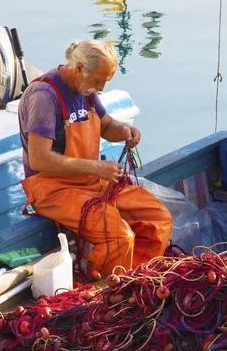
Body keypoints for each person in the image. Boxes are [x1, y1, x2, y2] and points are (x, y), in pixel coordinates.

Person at [18, 40, 173, 277]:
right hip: (51, 190)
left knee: (157, 216)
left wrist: (124, 131)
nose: (100, 88)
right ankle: (109, 295)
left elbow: (106, 125)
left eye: (106, 82)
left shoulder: (85, 89)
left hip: (89, 182)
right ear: (79, 68)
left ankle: (138, 280)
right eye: (98, 81)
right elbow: (39, 159)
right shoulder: (44, 96)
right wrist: (96, 167)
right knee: (119, 235)